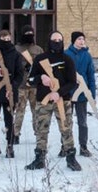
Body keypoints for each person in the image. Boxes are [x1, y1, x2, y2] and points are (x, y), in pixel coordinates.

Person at [25, 31, 80, 171]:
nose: (57, 42)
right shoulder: (40, 59)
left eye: (59, 39)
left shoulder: (67, 60)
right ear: (49, 41)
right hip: (43, 102)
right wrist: (41, 78)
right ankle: (39, 158)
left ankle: (71, 158)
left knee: (66, 128)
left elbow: (72, 82)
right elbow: (30, 80)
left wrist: (59, 93)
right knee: (41, 130)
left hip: (63, 101)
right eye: (54, 39)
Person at [0, 29, 24, 158]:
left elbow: (20, 74)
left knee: (9, 120)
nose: (6, 42)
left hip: (10, 93)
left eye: (8, 39)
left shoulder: (16, 54)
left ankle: (10, 146)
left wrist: (12, 87)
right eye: (3, 39)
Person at [65, 31, 97, 157]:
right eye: (79, 39)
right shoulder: (66, 54)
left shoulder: (87, 56)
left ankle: (83, 146)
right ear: (74, 40)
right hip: (68, 92)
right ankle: (66, 146)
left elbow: (91, 75)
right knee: (67, 121)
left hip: (82, 94)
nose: (82, 41)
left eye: (83, 39)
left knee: (82, 122)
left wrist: (92, 95)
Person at [14, 24, 43, 145]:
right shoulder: (16, 49)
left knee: (36, 111)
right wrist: (22, 66)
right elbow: (12, 66)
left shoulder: (38, 50)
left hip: (35, 86)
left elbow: (44, 66)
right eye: (27, 34)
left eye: (31, 34)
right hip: (21, 86)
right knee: (19, 111)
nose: (29, 36)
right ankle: (15, 134)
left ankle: (38, 133)